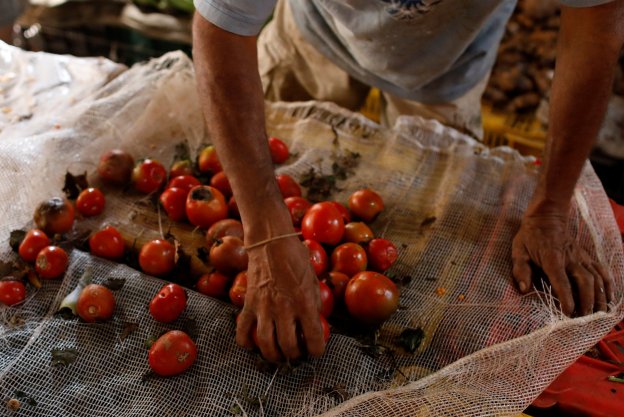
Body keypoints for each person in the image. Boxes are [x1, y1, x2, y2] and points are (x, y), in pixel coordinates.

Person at [191, 0, 623, 363]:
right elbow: (221, 29)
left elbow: (596, 27)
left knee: (436, 232)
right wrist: (267, 234)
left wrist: (549, 208)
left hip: (446, 68)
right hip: (309, 38)